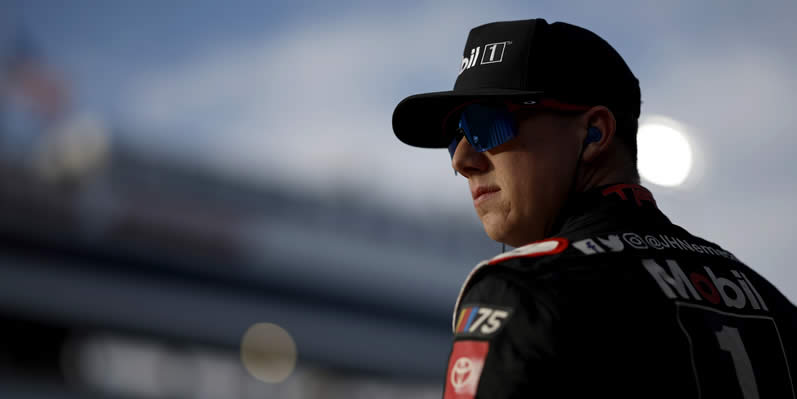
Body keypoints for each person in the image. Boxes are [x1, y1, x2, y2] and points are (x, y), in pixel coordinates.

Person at [391, 18, 796, 398]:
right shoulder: (771, 300)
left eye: (485, 125)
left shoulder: (524, 289)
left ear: (594, 132)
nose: (461, 161)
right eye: (455, 137)